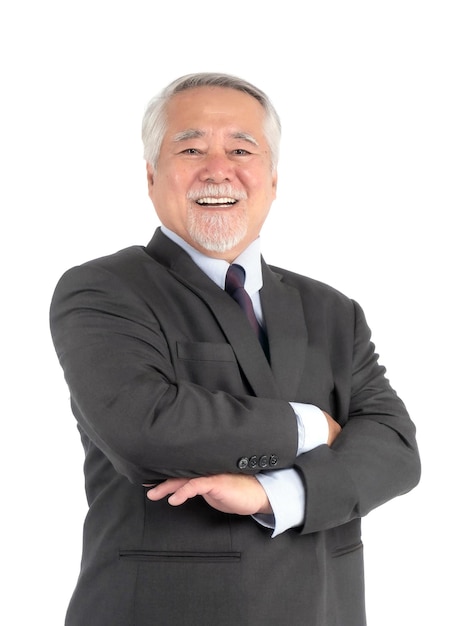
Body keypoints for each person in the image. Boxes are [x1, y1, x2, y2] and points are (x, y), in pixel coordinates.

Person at [50, 72, 420, 626]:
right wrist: (313, 427)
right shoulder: (104, 291)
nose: (217, 168)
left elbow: (394, 451)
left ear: (273, 178)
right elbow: (144, 425)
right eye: (191, 147)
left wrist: (274, 494)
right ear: (152, 176)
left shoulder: (333, 310)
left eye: (241, 149)